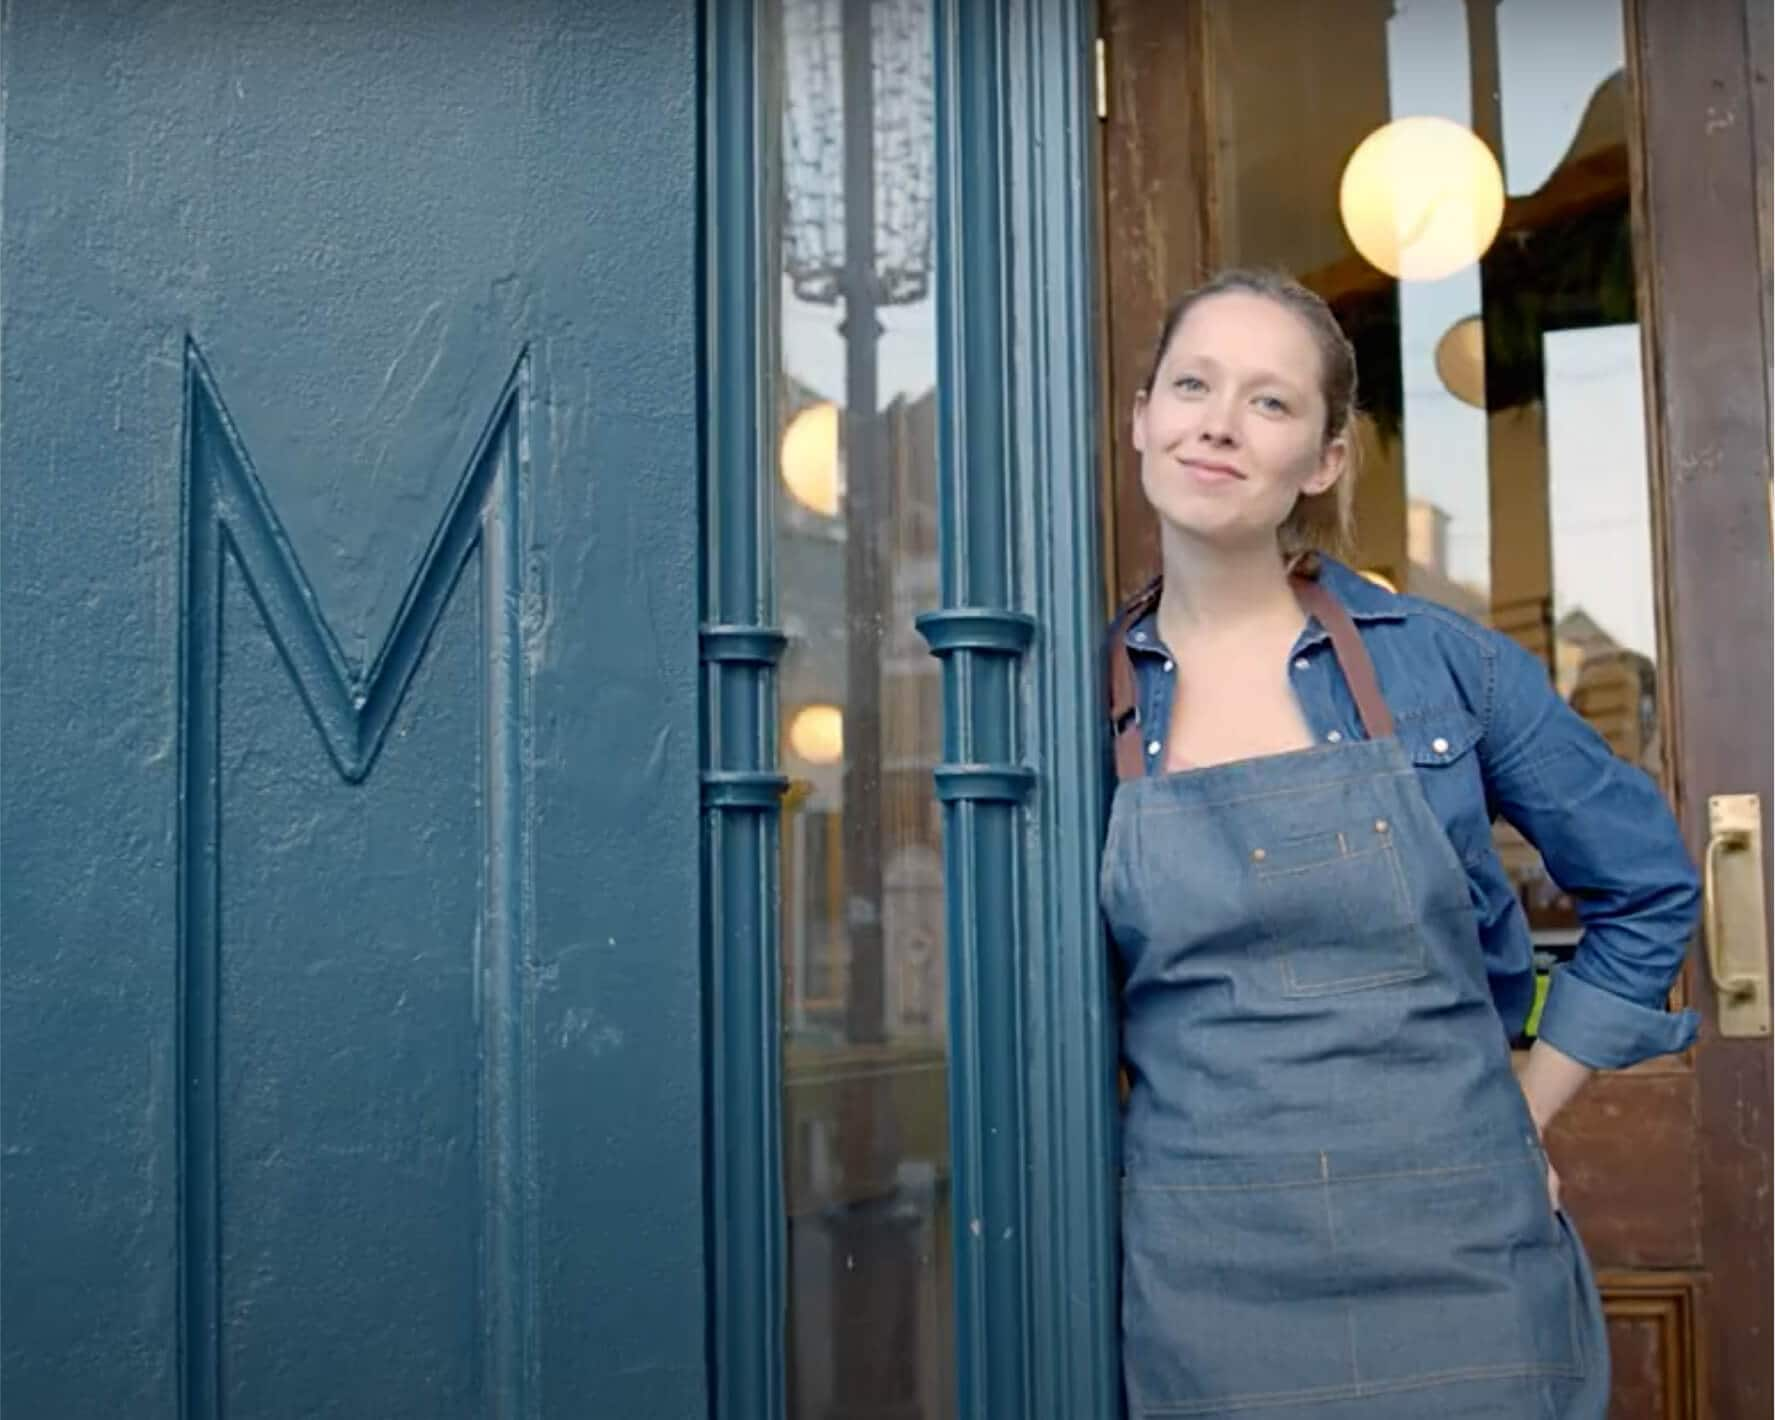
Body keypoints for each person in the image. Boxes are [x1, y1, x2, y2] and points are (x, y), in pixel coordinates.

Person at [1101, 269, 1699, 1420]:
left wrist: (1518, 1105)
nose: (1218, 421)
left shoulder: (1445, 667)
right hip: (1206, 1275)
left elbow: (1646, 889)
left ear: (1322, 459)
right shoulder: (1076, 704)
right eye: (1191, 385)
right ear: (1143, 419)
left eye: (1269, 403)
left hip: (1461, 1259)